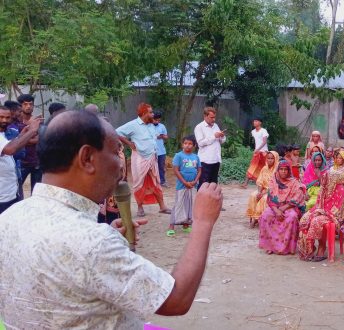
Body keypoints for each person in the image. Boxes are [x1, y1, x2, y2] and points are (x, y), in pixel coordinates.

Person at [0, 110, 224, 328]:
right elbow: (175, 300)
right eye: (116, 151)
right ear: (87, 158)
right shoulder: (93, 243)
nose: (121, 163)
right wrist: (202, 222)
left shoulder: (9, 218)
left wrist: (104, 240)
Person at [116, 103, 171, 217]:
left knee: (156, 182)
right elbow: (117, 132)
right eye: (150, 112)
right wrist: (129, 143)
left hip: (152, 157)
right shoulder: (133, 124)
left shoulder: (151, 125)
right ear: (144, 113)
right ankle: (140, 208)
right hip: (139, 158)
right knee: (139, 183)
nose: (153, 114)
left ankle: (162, 207)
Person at [297, 167, 344, 261]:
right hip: (320, 211)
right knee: (305, 219)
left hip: (332, 216)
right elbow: (318, 204)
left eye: (327, 178)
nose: (324, 180)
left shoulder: (341, 191)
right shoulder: (323, 189)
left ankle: (322, 246)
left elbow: (337, 211)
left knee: (316, 221)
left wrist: (322, 212)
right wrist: (316, 211)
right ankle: (308, 249)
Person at [258, 161, 306, 255]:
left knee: (292, 217)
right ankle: (270, 246)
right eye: (281, 169)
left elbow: (297, 197)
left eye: (286, 170)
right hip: (275, 207)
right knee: (266, 215)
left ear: (289, 171)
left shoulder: (294, 182)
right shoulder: (273, 180)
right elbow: (270, 198)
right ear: (278, 170)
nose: (283, 172)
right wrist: (277, 210)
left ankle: (287, 247)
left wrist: (282, 209)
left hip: (289, 206)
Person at [0, 106, 41, 213]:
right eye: (1, 117)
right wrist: (32, 131)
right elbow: (10, 149)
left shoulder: (3, 135)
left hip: (11, 192)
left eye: (7, 117)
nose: (4, 120)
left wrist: (21, 135)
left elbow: (10, 145)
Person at [166, 135, 202, 237]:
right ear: (182, 144)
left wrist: (195, 181)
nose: (187, 146)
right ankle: (171, 225)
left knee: (190, 205)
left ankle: (186, 225)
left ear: (194, 145)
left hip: (193, 186)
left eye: (190, 144)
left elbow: (199, 170)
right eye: (185, 143)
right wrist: (184, 182)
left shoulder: (196, 157)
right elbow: (176, 170)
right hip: (182, 185)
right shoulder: (179, 156)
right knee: (179, 204)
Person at [246, 151, 279, 228]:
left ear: (276, 159)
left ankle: (258, 219)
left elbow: (275, 185)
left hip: (274, 191)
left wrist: (263, 193)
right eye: (268, 158)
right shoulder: (264, 168)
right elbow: (260, 181)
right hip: (263, 189)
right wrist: (259, 192)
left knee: (264, 199)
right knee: (253, 195)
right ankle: (254, 217)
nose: (270, 160)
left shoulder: (278, 170)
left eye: (272, 158)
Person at [194, 107, 226, 187]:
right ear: (205, 116)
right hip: (205, 161)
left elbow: (221, 141)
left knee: (213, 184)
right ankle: (201, 199)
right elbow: (200, 143)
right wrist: (214, 136)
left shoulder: (216, 126)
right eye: (211, 117)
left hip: (216, 159)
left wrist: (222, 136)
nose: (214, 119)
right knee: (203, 185)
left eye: (214, 117)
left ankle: (211, 199)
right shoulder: (199, 127)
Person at [17, 94, 41, 193]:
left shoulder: (38, 121)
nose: (28, 106)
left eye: (30, 104)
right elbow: (14, 142)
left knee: (36, 193)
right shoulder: (15, 122)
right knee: (16, 191)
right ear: (20, 106)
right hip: (21, 163)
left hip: (36, 162)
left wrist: (23, 139)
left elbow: (39, 139)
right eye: (25, 104)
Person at [243, 117, 269, 187]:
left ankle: (265, 183)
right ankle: (245, 183)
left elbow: (264, 142)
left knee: (265, 168)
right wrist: (256, 149)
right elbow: (256, 142)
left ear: (260, 123)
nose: (254, 122)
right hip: (257, 152)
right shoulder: (253, 132)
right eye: (254, 121)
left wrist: (257, 149)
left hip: (264, 152)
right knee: (252, 166)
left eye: (256, 121)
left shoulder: (263, 131)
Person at [153, 111, 169, 188]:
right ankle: (153, 182)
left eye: (159, 120)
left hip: (161, 151)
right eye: (156, 120)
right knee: (151, 167)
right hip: (151, 152)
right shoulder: (148, 126)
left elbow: (166, 137)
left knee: (161, 167)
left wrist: (162, 136)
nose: (157, 122)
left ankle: (162, 181)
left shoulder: (162, 126)